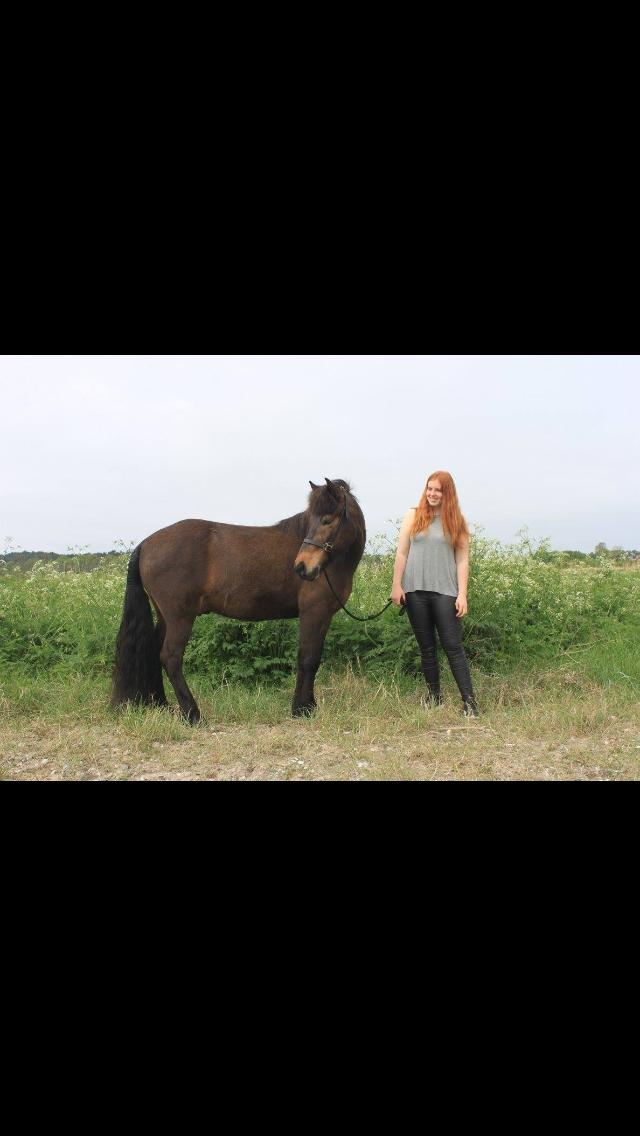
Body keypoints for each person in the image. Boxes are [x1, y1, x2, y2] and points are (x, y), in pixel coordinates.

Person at [391, 471, 479, 717]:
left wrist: (462, 594)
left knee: (453, 647)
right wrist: (396, 585)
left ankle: (470, 704)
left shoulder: (457, 520)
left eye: (437, 490)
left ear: (447, 493)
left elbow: (462, 559)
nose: (432, 493)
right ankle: (434, 697)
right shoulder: (413, 515)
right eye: (429, 488)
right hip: (415, 590)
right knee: (426, 648)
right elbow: (402, 553)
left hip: (445, 592)